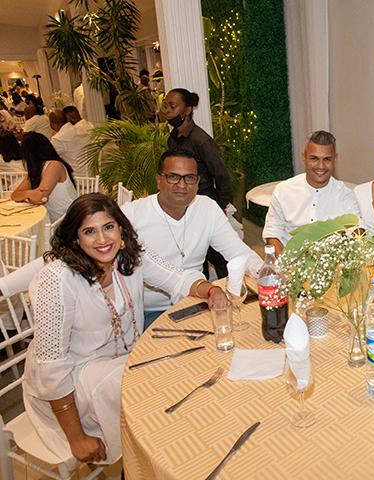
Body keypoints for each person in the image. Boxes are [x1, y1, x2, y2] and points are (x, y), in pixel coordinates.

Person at [22, 193, 226, 466]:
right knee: (150, 389)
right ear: (75, 239)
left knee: (179, 362)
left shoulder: (128, 255)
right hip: (72, 384)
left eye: (108, 227)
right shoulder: (58, 280)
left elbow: (175, 277)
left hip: (124, 362)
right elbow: (51, 369)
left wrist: (210, 290)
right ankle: (154, 460)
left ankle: (180, 449)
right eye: (89, 231)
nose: (102, 239)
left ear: (121, 228)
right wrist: (76, 438)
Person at [122, 148, 263, 327]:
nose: (182, 185)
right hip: (150, 311)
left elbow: (238, 252)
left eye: (189, 178)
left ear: (197, 182)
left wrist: (266, 274)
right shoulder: (132, 215)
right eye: (173, 177)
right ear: (158, 180)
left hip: (198, 301)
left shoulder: (207, 208)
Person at [163, 88, 232, 277]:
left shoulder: (201, 140)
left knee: (218, 256)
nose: (167, 111)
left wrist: (220, 205)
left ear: (187, 110)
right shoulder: (173, 138)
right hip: (185, 205)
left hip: (205, 201)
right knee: (194, 257)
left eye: (173, 106)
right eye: (165, 106)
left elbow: (222, 175)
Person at [263, 130, 361, 254]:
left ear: (335, 160)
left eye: (327, 159)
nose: (321, 166)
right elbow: (272, 234)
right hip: (287, 260)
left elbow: (357, 232)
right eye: (314, 158)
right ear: (303, 157)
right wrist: (285, 263)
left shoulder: (345, 195)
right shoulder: (283, 191)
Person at [11, 132, 78, 222]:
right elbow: (14, 195)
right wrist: (30, 194)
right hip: (52, 219)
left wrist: (27, 194)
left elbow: (41, 198)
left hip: (68, 219)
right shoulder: (36, 170)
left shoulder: (54, 165)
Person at [50, 109, 92, 177]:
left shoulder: (59, 138)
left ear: (52, 123)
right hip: (92, 177)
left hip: (77, 180)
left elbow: (46, 156)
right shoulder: (81, 130)